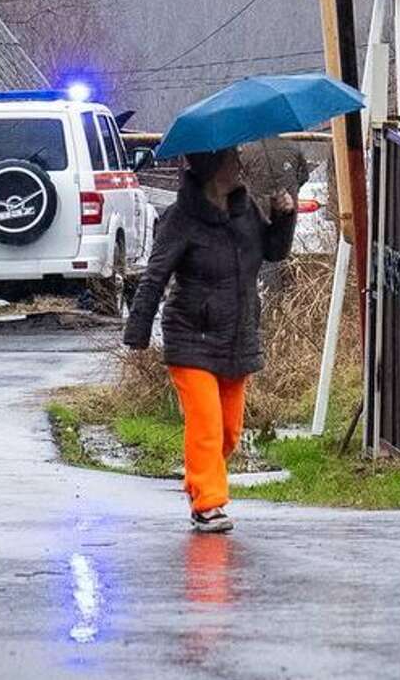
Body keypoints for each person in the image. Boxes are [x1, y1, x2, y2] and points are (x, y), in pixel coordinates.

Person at [123, 146, 296, 533]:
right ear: (210, 168)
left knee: (229, 431)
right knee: (206, 425)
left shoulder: (245, 208)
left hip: (237, 335)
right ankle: (208, 504)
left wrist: (284, 217)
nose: (239, 165)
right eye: (232, 159)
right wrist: (137, 333)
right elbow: (155, 276)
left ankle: (200, 479)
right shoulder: (181, 219)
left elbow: (273, 251)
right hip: (191, 337)